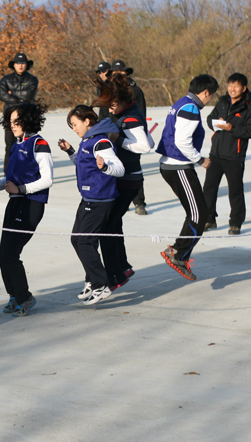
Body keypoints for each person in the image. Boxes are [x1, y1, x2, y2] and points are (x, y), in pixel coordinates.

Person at [0, 102, 52, 317]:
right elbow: (12, 178)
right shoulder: (17, 144)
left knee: (10, 253)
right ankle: (14, 295)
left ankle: (25, 297)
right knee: (3, 254)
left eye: (17, 121)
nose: (13, 125)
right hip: (15, 203)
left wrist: (21, 189)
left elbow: (47, 179)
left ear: (28, 121)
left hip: (31, 204)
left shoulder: (39, 144)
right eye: (10, 121)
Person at [57, 106, 125, 305]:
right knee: (77, 239)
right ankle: (92, 279)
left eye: (75, 124)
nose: (74, 128)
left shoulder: (101, 142)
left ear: (87, 121)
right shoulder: (88, 140)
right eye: (71, 126)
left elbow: (119, 169)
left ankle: (101, 285)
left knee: (85, 242)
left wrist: (105, 167)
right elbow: (83, 163)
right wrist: (70, 151)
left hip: (99, 201)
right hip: (88, 198)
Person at [93, 73, 154, 290]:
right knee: (113, 222)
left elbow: (145, 146)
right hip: (130, 177)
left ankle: (115, 274)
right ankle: (122, 267)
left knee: (107, 226)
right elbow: (149, 140)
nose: (110, 110)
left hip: (127, 179)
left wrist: (118, 139)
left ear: (120, 100)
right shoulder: (132, 113)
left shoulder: (130, 118)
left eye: (112, 105)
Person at [156, 74, 218, 281]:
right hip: (178, 166)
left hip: (175, 165)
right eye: (211, 95)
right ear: (206, 92)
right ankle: (178, 254)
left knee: (197, 213)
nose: (210, 100)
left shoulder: (182, 102)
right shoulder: (191, 108)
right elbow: (182, 141)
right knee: (199, 215)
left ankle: (178, 252)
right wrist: (200, 160)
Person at [203, 72, 251, 235]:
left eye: (236, 86)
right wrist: (216, 124)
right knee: (209, 188)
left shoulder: (249, 109)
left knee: (235, 191)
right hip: (216, 154)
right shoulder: (222, 102)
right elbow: (210, 118)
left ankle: (236, 222)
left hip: (234, 156)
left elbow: (250, 131)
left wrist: (231, 128)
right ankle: (209, 219)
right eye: (230, 85)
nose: (232, 89)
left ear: (244, 88)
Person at [0, 53, 39, 171]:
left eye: (23, 63)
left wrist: (12, 94)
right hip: (10, 117)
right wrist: (20, 100)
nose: (20, 65)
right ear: (14, 65)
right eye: (18, 63)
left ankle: (29, 171)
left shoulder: (32, 79)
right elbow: (2, 95)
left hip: (27, 116)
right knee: (10, 145)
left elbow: (29, 95)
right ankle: (8, 172)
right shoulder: (6, 79)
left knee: (28, 144)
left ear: (27, 65)